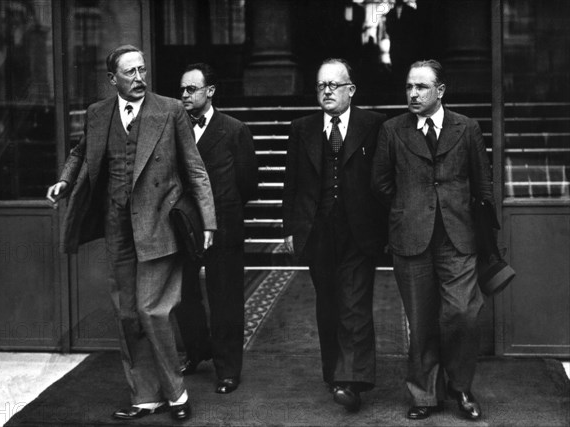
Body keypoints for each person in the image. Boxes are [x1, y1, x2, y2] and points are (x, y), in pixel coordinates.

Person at [46, 45, 216, 422]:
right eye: (130, 73)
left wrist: (209, 222)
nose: (140, 78)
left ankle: (177, 393)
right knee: (127, 314)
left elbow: (196, 169)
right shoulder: (97, 113)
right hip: (117, 226)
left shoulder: (170, 110)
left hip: (159, 224)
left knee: (151, 310)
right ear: (113, 80)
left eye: (142, 70)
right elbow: (79, 152)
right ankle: (146, 396)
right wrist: (63, 180)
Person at [371, 59, 493, 421]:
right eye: (409, 87)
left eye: (421, 87)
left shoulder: (467, 128)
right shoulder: (392, 130)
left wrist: (487, 234)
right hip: (411, 237)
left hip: (458, 236)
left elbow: (482, 182)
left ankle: (460, 386)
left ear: (440, 91)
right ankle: (425, 394)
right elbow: (379, 182)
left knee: (462, 313)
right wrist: (407, 206)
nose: (412, 94)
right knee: (421, 321)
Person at [282, 58, 387, 413]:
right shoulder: (302, 128)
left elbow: (383, 178)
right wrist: (289, 229)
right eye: (321, 86)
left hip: (359, 231)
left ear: (350, 90)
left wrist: (384, 225)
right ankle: (334, 373)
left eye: (333, 85)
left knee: (354, 306)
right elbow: (291, 184)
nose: (326, 92)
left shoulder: (374, 125)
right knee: (328, 305)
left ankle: (351, 381)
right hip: (317, 230)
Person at [175, 63, 258, 394]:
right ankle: (197, 352)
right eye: (181, 89)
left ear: (210, 91)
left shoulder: (234, 129)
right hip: (183, 224)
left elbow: (249, 183)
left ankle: (227, 369)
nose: (184, 95)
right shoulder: (174, 127)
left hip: (224, 226)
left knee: (225, 299)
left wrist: (222, 207)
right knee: (183, 295)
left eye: (191, 89)